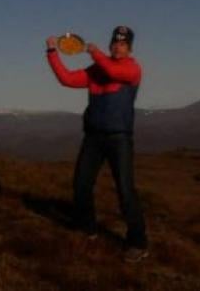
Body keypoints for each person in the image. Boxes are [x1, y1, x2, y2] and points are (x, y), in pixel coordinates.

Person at [45, 24, 149, 262]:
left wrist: (95, 52)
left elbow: (113, 73)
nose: (117, 47)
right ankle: (87, 228)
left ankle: (137, 242)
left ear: (129, 48)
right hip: (93, 137)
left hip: (119, 138)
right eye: (114, 43)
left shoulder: (132, 69)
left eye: (122, 44)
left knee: (125, 190)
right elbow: (67, 79)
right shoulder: (97, 69)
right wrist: (52, 53)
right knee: (81, 184)